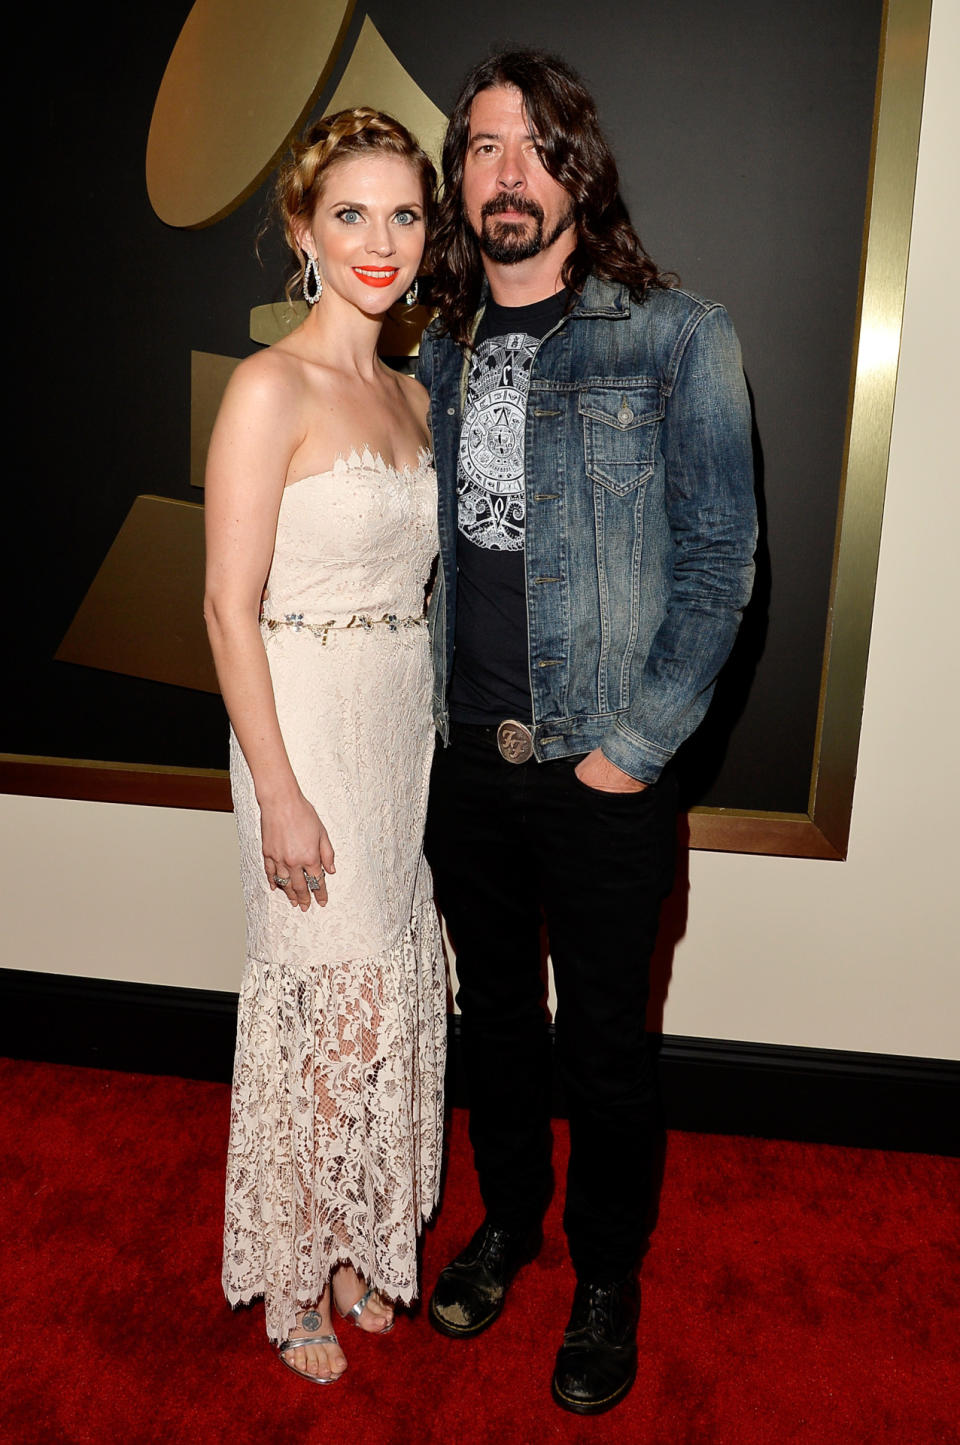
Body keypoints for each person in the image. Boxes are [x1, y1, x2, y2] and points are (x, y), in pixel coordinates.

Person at [418, 51, 757, 1415]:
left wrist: (637, 746)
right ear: (460, 184)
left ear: (577, 171)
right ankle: (509, 1222)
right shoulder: (429, 354)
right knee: (494, 1023)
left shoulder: (677, 335)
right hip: (465, 763)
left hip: (604, 771)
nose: (507, 170)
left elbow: (723, 559)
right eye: (482, 147)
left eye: (533, 145)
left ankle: (606, 1274)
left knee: (607, 1045)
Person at [204, 108, 446, 1385]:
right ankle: (293, 1274)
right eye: (350, 213)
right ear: (302, 231)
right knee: (325, 1002)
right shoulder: (269, 385)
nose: (380, 240)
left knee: (380, 992)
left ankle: (355, 1238)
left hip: (394, 723)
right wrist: (282, 793)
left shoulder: (407, 392)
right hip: (298, 726)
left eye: (404, 213)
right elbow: (222, 607)